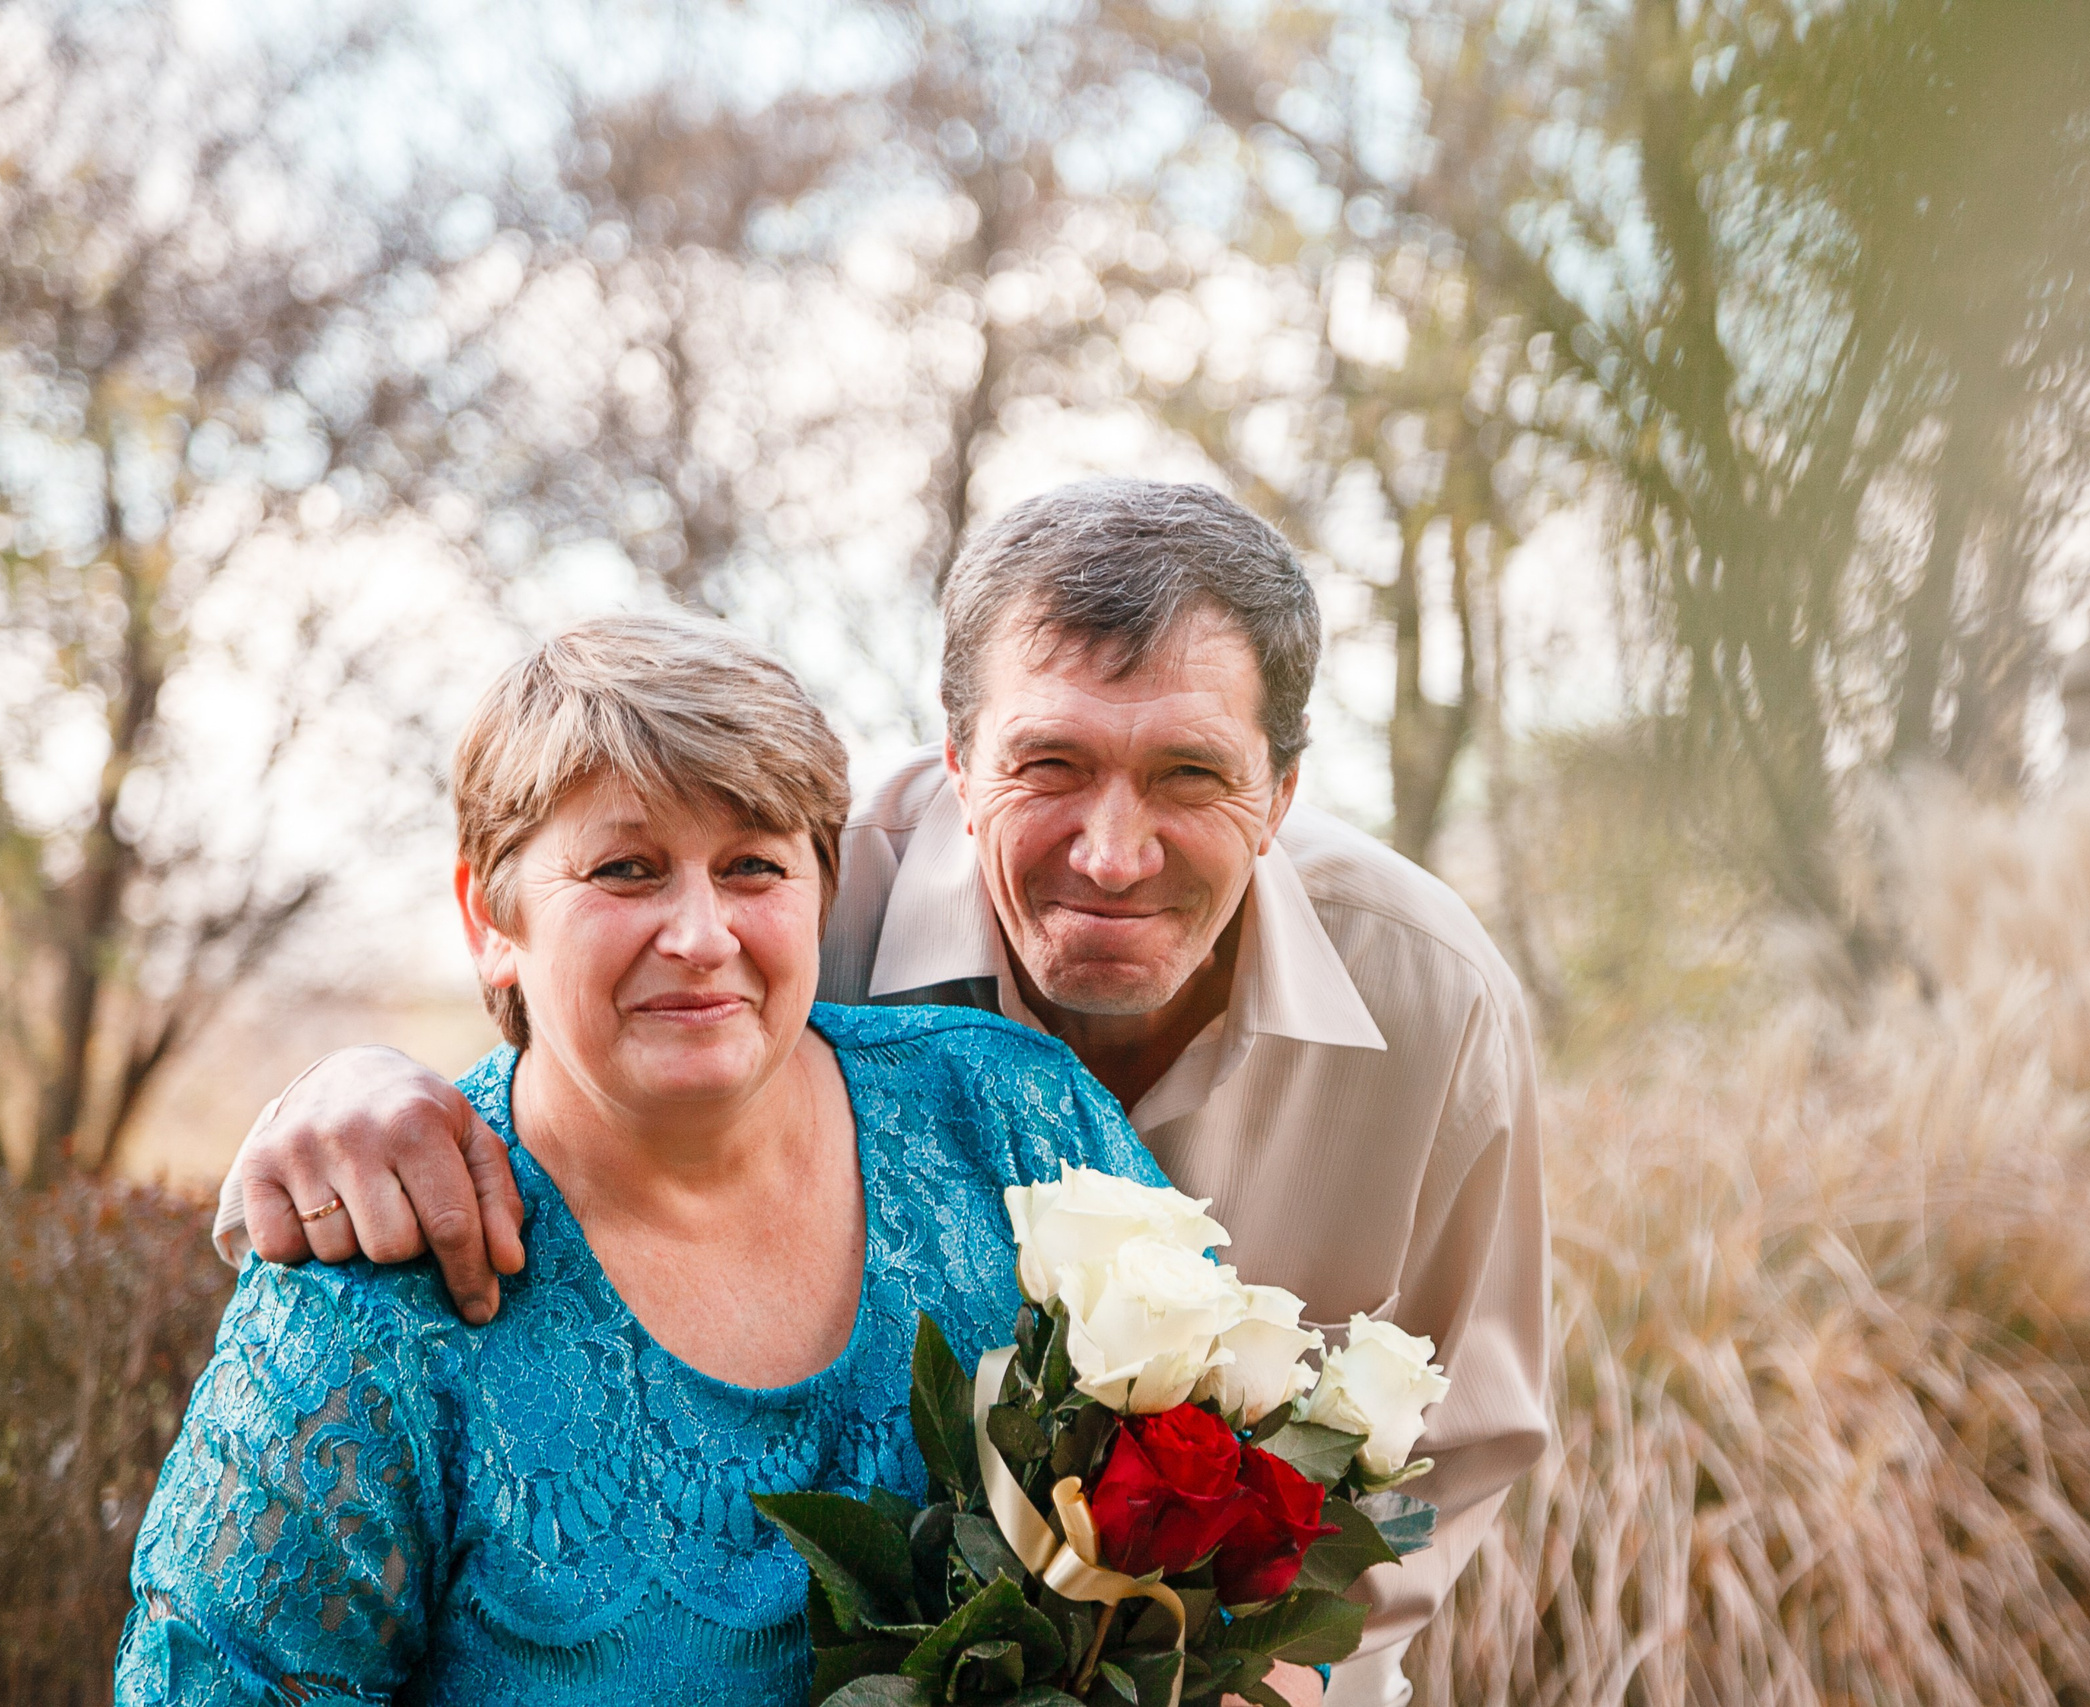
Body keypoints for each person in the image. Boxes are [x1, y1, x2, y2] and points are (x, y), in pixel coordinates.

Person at [215, 480, 1554, 1706]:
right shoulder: (795, 877)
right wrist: (347, 1083)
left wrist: (1254, 1673)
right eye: (1050, 764)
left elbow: (1455, 1446)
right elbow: (567, 1004)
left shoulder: (1431, 999)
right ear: (957, 761)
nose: (1112, 851)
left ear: (1282, 790)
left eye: (1190, 774)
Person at [117, 616, 1179, 1704]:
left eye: (753, 865)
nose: (702, 935)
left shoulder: (1012, 1125)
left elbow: (1225, 1564)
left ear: (823, 886)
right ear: (490, 919)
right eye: (626, 870)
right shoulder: (375, 1288)